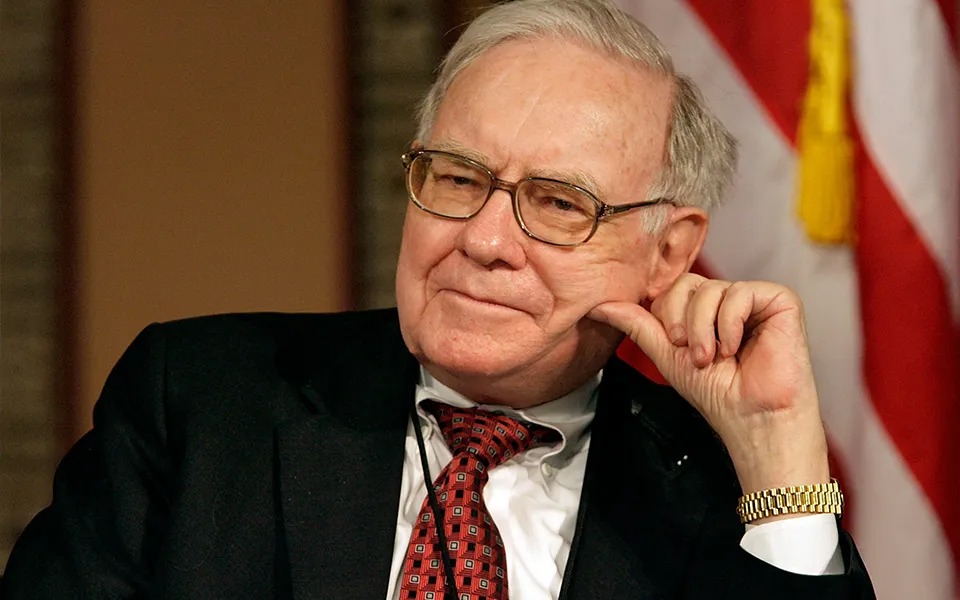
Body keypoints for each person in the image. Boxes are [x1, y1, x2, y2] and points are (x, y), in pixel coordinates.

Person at [2, 1, 875, 598]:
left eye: (558, 203)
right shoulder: (199, 404)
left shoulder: (718, 490)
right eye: (457, 179)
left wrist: (779, 457)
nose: (485, 240)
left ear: (669, 252)